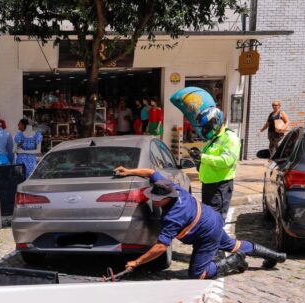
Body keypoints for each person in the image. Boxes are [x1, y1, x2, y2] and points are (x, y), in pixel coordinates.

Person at [114, 166, 286, 279]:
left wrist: (136, 262)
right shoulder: (172, 187)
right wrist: (128, 171)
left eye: (156, 199)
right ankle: (275, 256)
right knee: (234, 244)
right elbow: (151, 172)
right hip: (211, 218)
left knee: (197, 274)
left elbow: (160, 247)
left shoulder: (173, 216)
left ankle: (233, 262)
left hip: (205, 234)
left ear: (167, 198)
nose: (154, 200)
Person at [195, 107, 241, 221]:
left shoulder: (230, 138)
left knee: (215, 222)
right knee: (208, 221)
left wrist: (202, 157)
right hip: (208, 185)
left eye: (207, 127)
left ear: (216, 122)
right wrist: (197, 158)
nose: (205, 130)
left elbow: (226, 161)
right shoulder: (214, 138)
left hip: (219, 187)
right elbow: (209, 159)